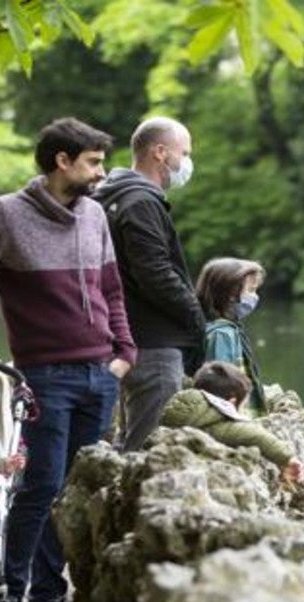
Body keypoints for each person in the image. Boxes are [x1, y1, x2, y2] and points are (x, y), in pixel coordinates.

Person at [0, 117, 136, 602]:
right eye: (93, 161)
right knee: (42, 486)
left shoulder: (95, 215)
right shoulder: (3, 215)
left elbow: (112, 290)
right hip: (44, 375)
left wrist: (124, 353)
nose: (101, 171)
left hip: (101, 374)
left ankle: (47, 599)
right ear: (62, 161)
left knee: (77, 491)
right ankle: (9, 591)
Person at [93, 116, 206, 452]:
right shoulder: (140, 202)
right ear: (160, 152)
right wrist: (196, 316)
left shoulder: (110, 197)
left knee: (124, 445)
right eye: (183, 153)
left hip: (121, 337)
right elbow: (155, 274)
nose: (187, 162)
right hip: (153, 344)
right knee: (146, 452)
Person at [163, 361, 303, 483]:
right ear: (232, 402)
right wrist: (288, 459)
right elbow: (256, 435)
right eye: (241, 406)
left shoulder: (172, 407)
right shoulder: (214, 424)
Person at [196, 257, 268, 415]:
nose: (254, 297)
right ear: (229, 293)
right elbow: (220, 384)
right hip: (231, 413)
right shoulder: (221, 334)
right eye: (250, 290)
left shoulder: (231, 329)